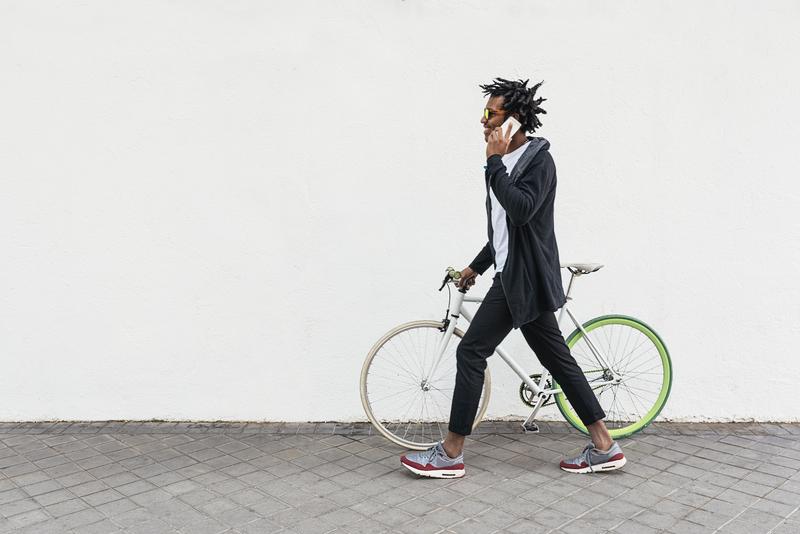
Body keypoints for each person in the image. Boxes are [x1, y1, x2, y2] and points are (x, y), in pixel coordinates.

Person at [400, 77, 626, 477]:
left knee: (471, 352)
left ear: (514, 118)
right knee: (558, 361)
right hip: (514, 276)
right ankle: (604, 445)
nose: (483, 120)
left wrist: (493, 163)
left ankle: (450, 453)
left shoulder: (538, 161)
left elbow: (521, 211)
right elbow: (503, 233)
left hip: (523, 280)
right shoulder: (504, 163)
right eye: (484, 112)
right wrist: (475, 267)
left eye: (491, 113)